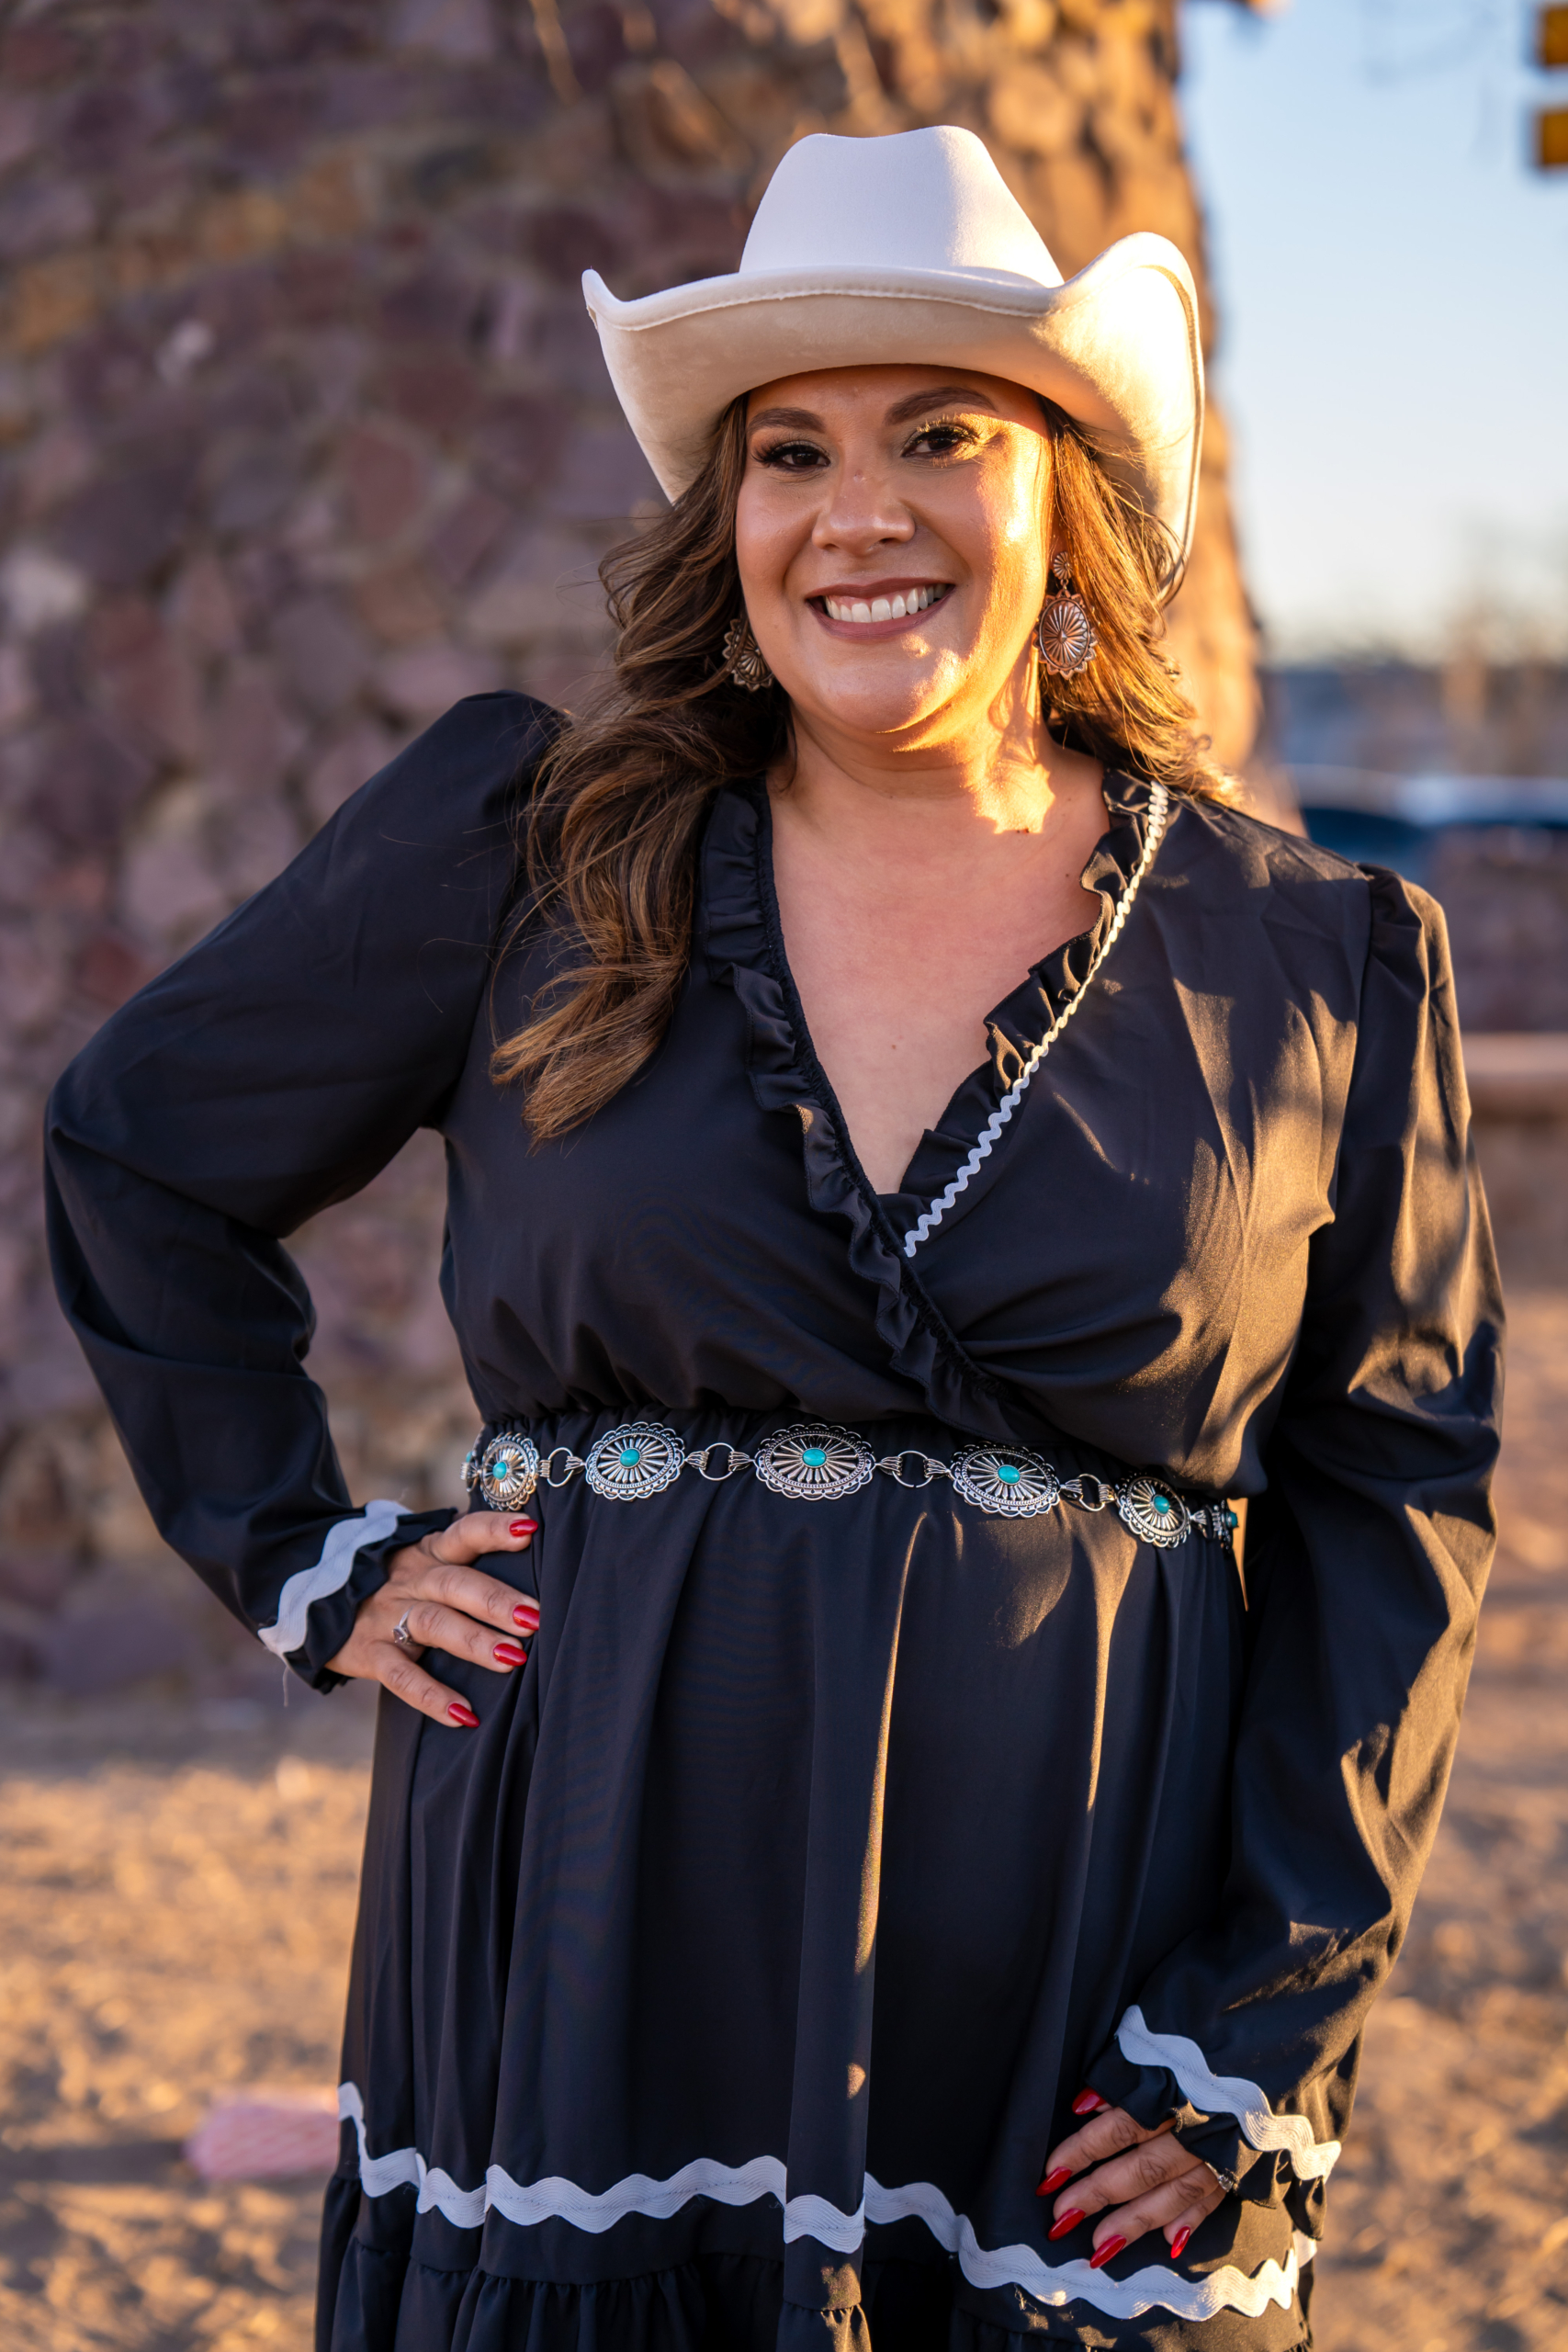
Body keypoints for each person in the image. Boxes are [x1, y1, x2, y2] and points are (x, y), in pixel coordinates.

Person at [46, 127, 1501, 2352]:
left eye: (940, 434)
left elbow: (1386, 1511)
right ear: (724, 522)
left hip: (1079, 1962)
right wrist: (297, 1553)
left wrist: (1260, 2016)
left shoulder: (1313, 960)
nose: (856, 511)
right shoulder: (529, 848)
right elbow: (138, 1149)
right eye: (787, 449)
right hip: (592, 1914)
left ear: (1066, 500)